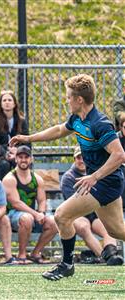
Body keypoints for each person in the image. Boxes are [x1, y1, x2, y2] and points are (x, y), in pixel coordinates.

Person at [10, 74, 125, 280]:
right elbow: (59, 130)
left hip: (105, 182)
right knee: (117, 231)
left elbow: (119, 155)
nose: (67, 100)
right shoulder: (77, 119)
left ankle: (66, 264)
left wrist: (94, 177)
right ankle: (67, 264)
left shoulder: (100, 124)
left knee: (62, 215)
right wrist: (28, 138)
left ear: (79, 99)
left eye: (69, 96)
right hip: (105, 181)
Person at [60, 147, 123, 265]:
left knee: (110, 229)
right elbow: (71, 203)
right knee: (83, 227)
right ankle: (104, 258)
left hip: (95, 212)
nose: (82, 160)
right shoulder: (68, 177)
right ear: (74, 159)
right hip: (78, 214)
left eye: (84, 157)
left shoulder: (98, 172)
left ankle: (111, 253)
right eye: (79, 157)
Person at [2, 145, 58, 264]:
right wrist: (35, 214)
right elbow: (16, 203)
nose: (23, 160)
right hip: (12, 215)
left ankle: (35, 253)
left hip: (32, 214)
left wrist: (42, 213)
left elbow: (42, 200)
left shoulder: (37, 179)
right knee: (27, 218)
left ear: (31, 159)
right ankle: (21, 254)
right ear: (16, 159)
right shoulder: (10, 178)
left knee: (54, 222)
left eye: (26, 157)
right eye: (20, 157)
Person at [0, 90, 30, 166]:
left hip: (18, 154)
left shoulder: (21, 121)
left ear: (14, 104)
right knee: (4, 164)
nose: (7, 102)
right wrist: (6, 151)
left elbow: (27, 142)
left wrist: (18, 151)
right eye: (4, 100)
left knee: (19, 162)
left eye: (9, 100)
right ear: (1, 104)